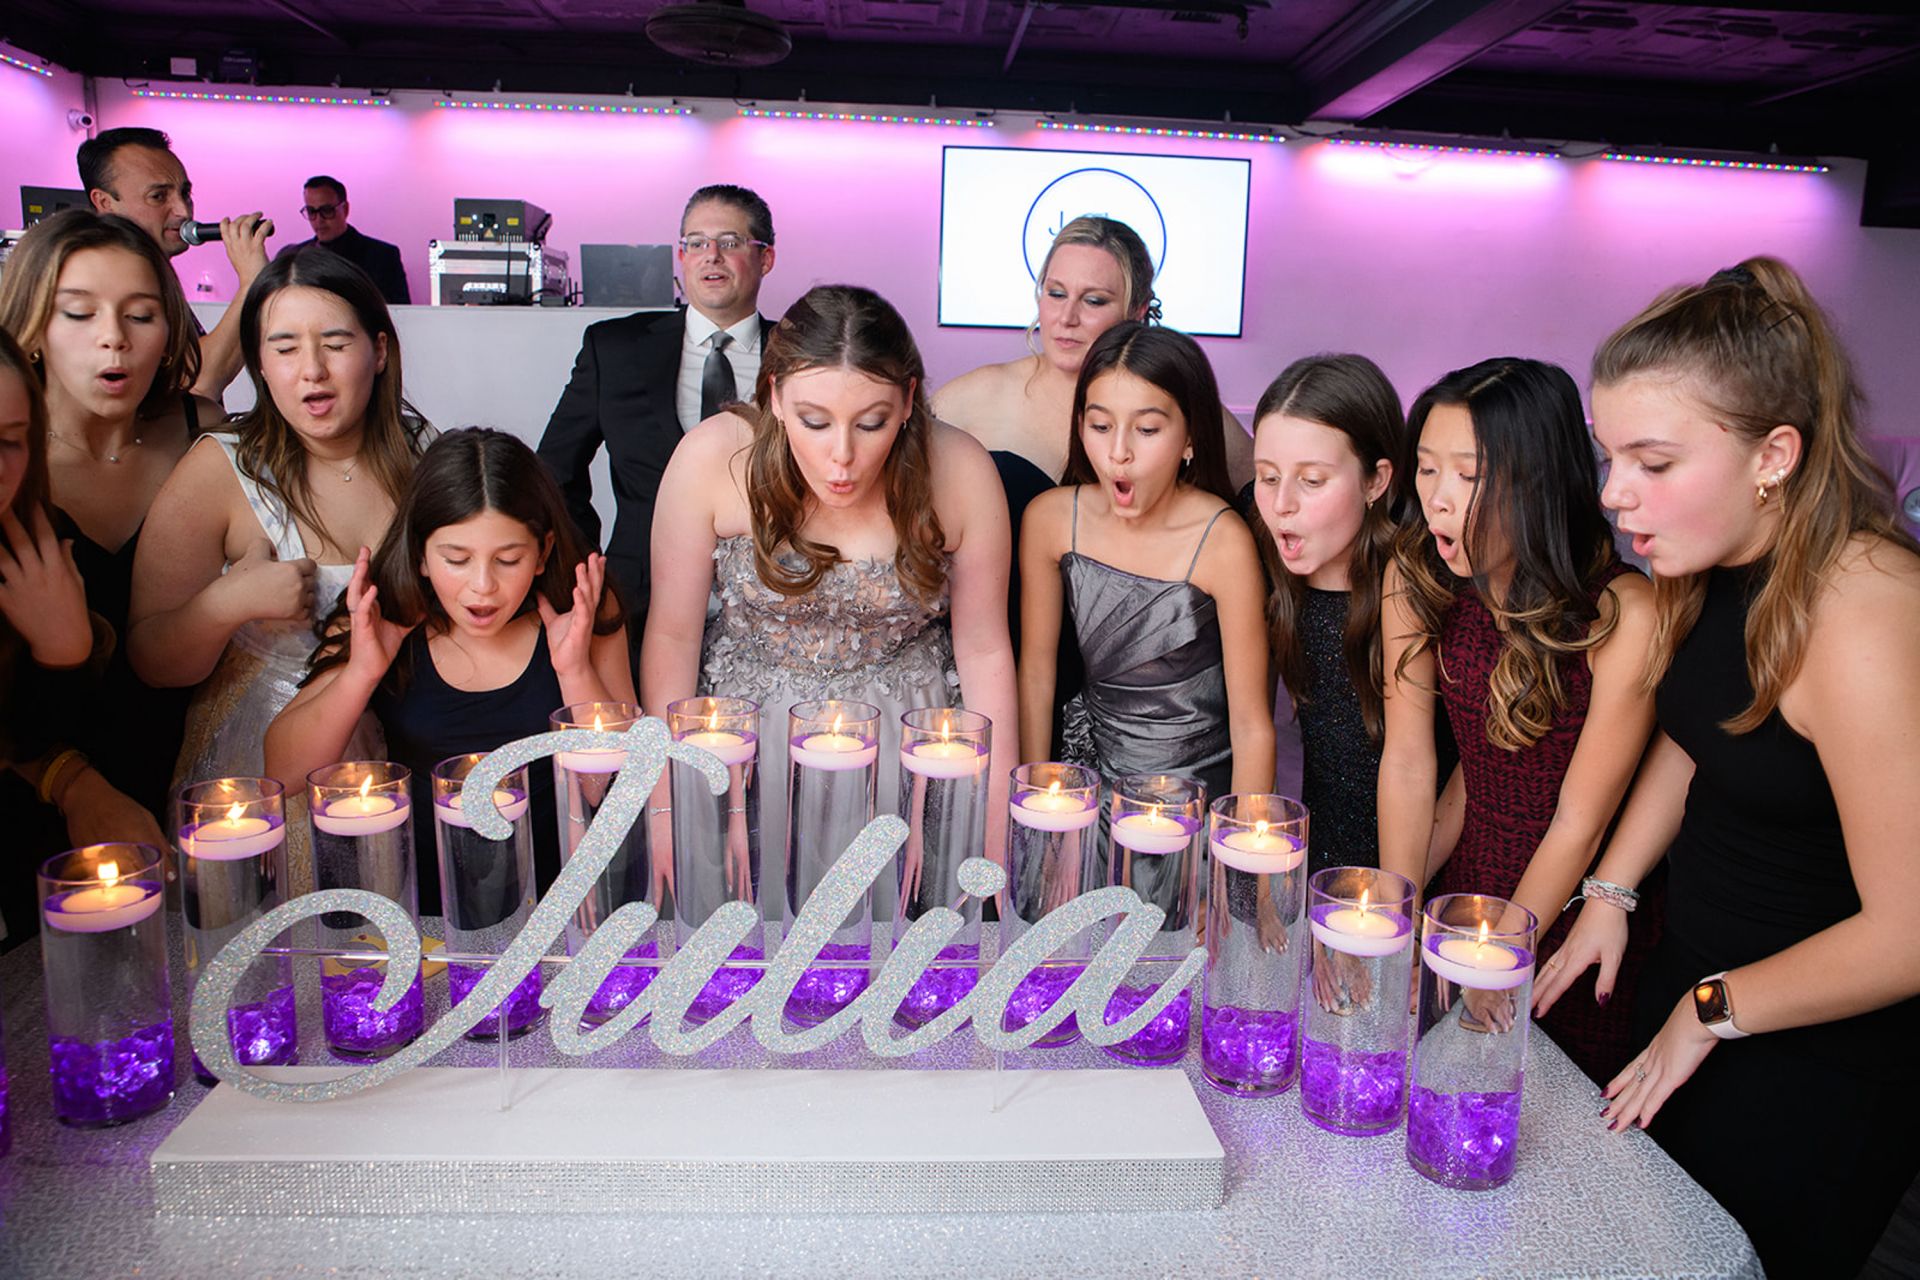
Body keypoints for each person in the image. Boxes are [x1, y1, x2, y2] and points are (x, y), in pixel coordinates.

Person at [1536, 257, 1920, 1277]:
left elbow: (1912, 930)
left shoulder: (1867, 610)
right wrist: (1612, 889)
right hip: (1701, 991)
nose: (1616, 494)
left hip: (1813, 1051)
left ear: (1774, 455)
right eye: (1607, 455)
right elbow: (1701, 727)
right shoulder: (1725, 560)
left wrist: (1711, 1011)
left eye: (1653, 462)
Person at [640, 283, 1017, 887]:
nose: (841, 457)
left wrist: (997, 820)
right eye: (815, 422)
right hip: (744, 740)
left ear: (908, 401)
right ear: (776, 398)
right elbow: (672, 635)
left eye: (872, 423)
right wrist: (665, 801)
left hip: (911, 745)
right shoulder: (711, 460)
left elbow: (985, 650)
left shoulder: (961, 470)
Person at [1376, 357, 1658, 1083]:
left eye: (1468, 476)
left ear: (1538, 480)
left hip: (1571, 910)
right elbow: (1412, 761)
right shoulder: (1416, 576)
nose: (1438, 499)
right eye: (1428, 469)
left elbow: (1579, 821)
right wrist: (1397, 922)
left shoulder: (1622, 611)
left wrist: (1502, 954)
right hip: (1463, 883)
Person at [266, 429, 631, 902]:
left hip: (565, 900)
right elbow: (284, 773)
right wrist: (361, 673)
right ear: (420, 555)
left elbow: (622, 786)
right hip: (425, 906)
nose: (483, 586)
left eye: (508, 559)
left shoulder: (583, 610)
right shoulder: (384, 615)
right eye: (456, 560)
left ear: (541, 553)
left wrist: (574, 670)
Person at [127, 250, 429, 790]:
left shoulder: (422, 455)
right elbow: (150, 660)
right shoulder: (221, 466)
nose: (312, 369)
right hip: (254, 769)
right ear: (260, 365)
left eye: (335, 344)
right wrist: (226, 605)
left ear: (379, 350)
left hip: (400, 757)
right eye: (285, 348)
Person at [0, 210, 219, 821]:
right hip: (45, 791)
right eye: (79, 312)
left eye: (140, 315)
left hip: (206, 781)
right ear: (34, 325)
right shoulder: (10, 467)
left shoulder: (208, 435)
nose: (114, 337)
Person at [1017, 322, 1274, 804]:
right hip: (1087, 790)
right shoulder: (1050, 520)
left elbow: (1253, 725)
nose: (1119, 453)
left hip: (1194, 806)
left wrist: (1237, 863)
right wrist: (1032, 804)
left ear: (1191, 437)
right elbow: (1035, 677)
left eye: (1148, 429)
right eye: (1100, 426)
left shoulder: (1224, 542)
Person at [538, 183, 778, 649]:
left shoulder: (802, 352)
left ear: (765, 258)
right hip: (637, 604)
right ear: (681, 256)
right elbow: (551, 473)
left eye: (730, 243)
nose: (712, 255)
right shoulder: (614, 348)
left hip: (776, 608)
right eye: (696, 243)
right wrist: (593, 565)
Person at [934, 215, 1253, 491]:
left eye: (1094, 301)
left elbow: (1258, 497)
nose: (1067, 317)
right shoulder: (971, 399)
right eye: (1056, 293)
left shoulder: (1182, 408)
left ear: (1137, 309)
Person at [1249, 354, 1401, 875]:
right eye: (1268, 478)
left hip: (1407, 878)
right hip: (1313, 873)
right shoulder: (1269, 571)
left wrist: (1400, 894)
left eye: (1312, 481)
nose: (1282, 504)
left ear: (1376, 481)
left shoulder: (1413, 591)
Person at [78, 126, 271, 400]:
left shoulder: (156, 276)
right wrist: (252, 282)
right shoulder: (107, 284)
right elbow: (199, 383)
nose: (183, 210)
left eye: (185, 193)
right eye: (158, 196)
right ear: (105, 203)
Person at [274, 176, 410, 306]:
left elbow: (400, 314)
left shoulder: (382, 256)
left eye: (327, 210)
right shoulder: (291, 255)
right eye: (311, 211)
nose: (319, 220)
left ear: (345, 209)